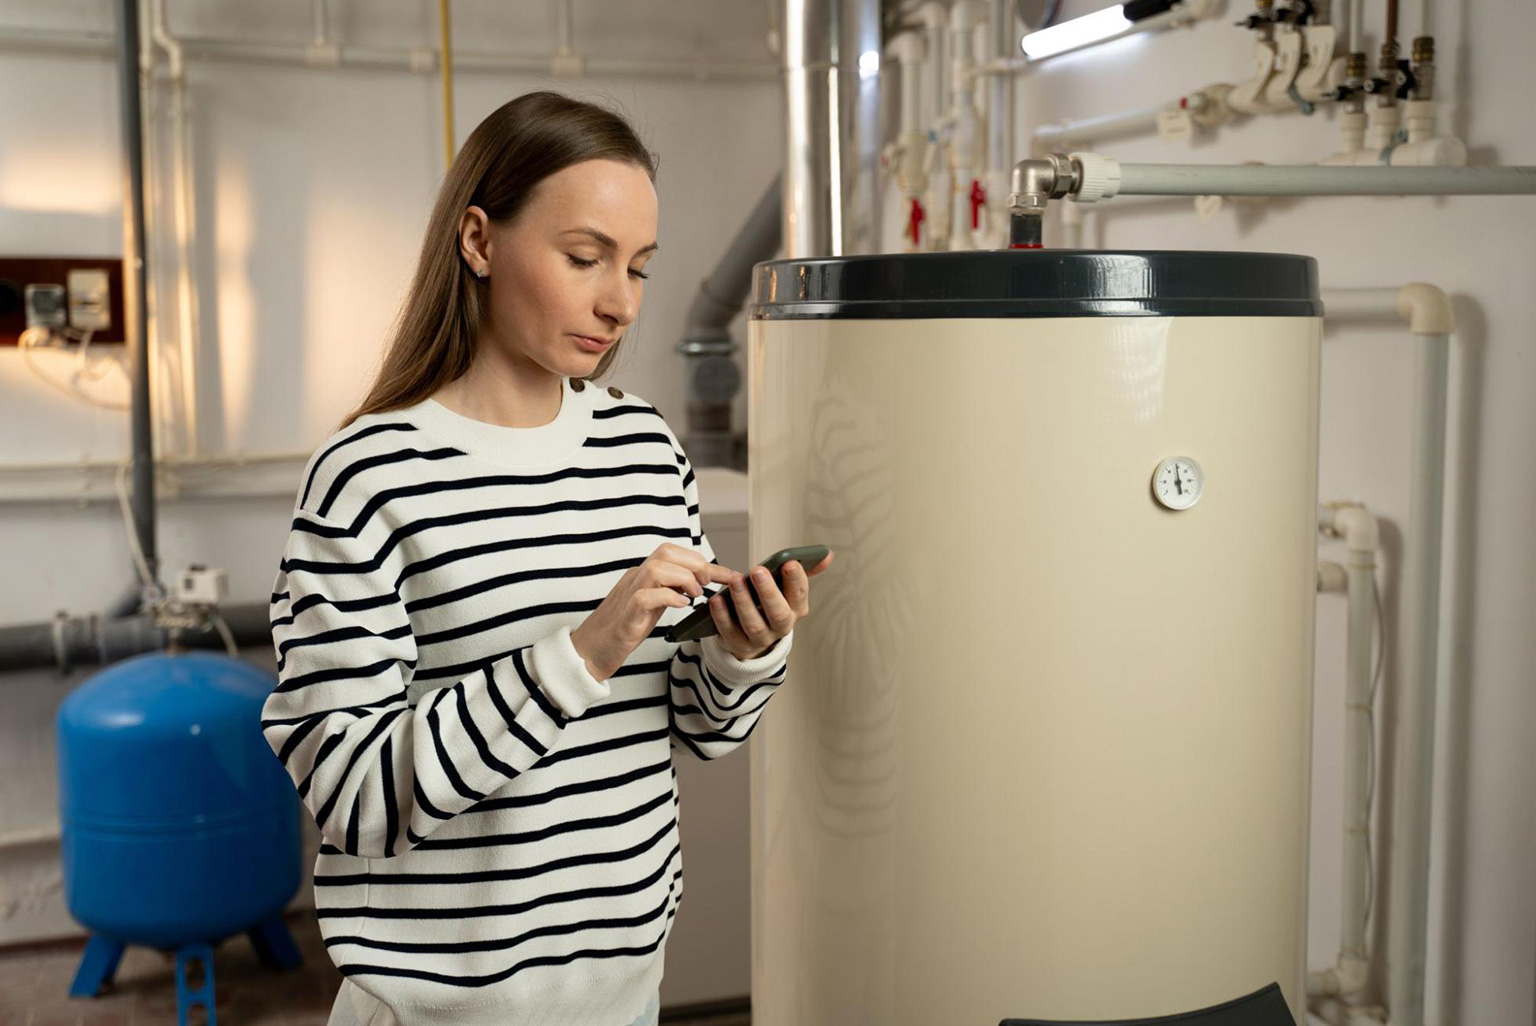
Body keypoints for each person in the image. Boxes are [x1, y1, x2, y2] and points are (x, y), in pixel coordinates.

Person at [261, 90, 833, 1026]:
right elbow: (354, 795)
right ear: (478, 241)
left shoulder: (645, 449)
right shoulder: (370, 474)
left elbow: (695, 728)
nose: (620, 303)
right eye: (583, 257)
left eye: (639, 268)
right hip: (435, 1010)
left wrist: (742, 653)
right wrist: (579, 655)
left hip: (625, 995)